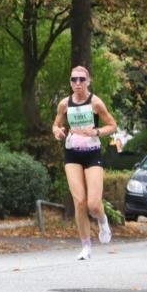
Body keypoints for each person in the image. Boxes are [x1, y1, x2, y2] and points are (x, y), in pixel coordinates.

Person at [52, 66, 118, 261]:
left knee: (93, 205)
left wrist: (96, 132)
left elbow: (112, 125)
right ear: (70, 82)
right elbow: (56, 124)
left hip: (92, 153)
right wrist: (56, 130)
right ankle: (86, 246)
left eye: (82, 79)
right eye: (74, 80)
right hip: (72, 153)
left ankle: (103, 220)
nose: (78, 83)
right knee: (79, 202)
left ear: (88, 81)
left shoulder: (95, 103)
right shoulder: (64, 104)